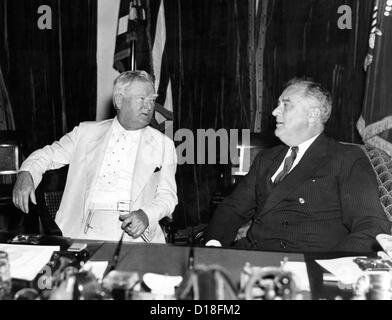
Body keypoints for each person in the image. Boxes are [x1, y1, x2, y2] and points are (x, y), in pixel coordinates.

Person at [204, 78, 391, 252]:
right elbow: (233, 208)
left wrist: (334, 269)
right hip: (252, 256)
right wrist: (213, 246)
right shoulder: (266, 158)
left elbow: (370, 225)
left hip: (305, 266)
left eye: (285, 105)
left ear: (313, 114)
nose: (274, 112)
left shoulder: (346, 158)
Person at [12, 70, 178, 243]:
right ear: (119, 100)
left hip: (136, 232)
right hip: (86, 229)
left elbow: (168, 195)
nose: (149, 106)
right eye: (142, 99)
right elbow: (49, 154)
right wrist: (27, 173)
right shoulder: (86, 133)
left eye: (152, 100)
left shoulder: (163, 144)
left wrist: (146, 215)